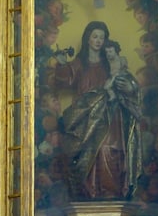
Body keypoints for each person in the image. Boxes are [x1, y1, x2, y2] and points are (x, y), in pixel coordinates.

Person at [53, 22, 143, 200]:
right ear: (87, 38)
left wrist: (127, 86)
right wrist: (61, 64)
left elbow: (125, 80)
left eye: (102, 37)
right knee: (83, 154)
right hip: (85, 116)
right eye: (95, 36)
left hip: (109, 114)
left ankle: (110, 193)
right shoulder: (80, 63)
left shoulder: (109, 62)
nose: (98, 41)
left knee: (107, 149)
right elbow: (64, 79)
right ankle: (89, 192)